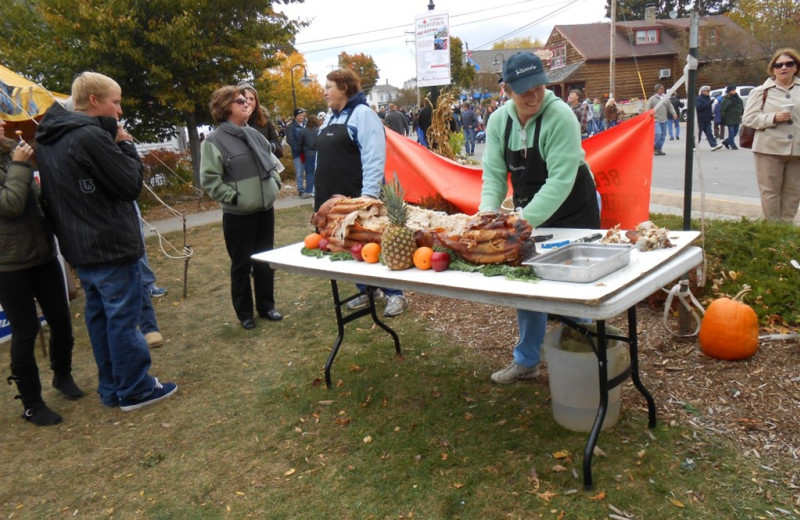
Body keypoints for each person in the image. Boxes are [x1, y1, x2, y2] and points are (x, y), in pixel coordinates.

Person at [35, 71, 176, 411]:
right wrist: (125, 145)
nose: (120, 110)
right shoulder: (86, 136)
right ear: (95, 101)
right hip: (110, 245)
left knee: (100, 320)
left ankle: (112, 388)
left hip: (81, 247)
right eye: (115, 101)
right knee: (123, 320)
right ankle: (136, 389)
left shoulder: (48, 137)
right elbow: (129, 185)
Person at [480, 52, 600, 384]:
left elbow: (560, 181)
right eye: (524, 90)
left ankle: (584, 363)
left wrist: (519, 223)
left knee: (576, 287)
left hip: (573, 206)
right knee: (528, 284)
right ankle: (527, 361)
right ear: (507, 90)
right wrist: (487, 218)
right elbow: (492, 175)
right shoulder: (498, 122)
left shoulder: (560, 116)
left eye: (538, 87)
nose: (533, 96)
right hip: (528, 208)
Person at [0, 120, 85, 426]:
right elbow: (9, 205)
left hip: (42, 254)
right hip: (9, 264)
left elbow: (34, 200)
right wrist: (21, 166)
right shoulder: (16, 160)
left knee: (61, 320)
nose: (2, 123)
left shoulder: (12, 152)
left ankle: (62, 375)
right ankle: (32, 403)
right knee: (25, 332)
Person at [314, 68, 407, 317]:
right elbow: (322, 157)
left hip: (357, 194)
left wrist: (368, 197)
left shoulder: (363, 115)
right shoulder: (330, 118)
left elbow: (374, 156)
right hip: (332, 197)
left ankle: (395, 294)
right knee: (351, 245)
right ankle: (366, 290)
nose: (325, 92)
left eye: (329, 86)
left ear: (344, 88)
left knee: (373, 243)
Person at [200, 86, 285, 328]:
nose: (246, 103)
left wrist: (274, 186)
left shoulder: (256, 135)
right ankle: (245, 314)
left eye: (247, 100)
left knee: (265, 260)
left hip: (264, 211)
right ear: (226, 107)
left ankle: (267, 307)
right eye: (239, 101)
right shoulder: (214, 141)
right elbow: (210, 180)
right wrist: (235, 198)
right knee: (241, 265)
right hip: (238, 215)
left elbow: (274, 164)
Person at [742, 48, 800, 222]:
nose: (784, 68)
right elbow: (749, 119)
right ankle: (773, 230)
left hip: (796, 151)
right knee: (770, 193)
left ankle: (786, 229)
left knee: (793, 192)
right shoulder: (761, 91)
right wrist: (773, 117)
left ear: (796, 67)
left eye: (789, 64)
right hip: (768, 149)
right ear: (773, 68)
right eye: (779, 64)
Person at [239, 82, 284, 159]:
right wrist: (243, 122)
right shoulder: (232, 123)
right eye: (245, 98)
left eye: (252, 99)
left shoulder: (264, 121)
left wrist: (271, 146)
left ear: (256, 102)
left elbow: (280, 152)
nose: (248, 102)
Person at [646, 83, 678, 156]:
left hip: (664, 119)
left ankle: (658, 148)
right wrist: (648, 116)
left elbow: (670, 106)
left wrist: (674, 113)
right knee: (658, 133)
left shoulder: (665, 98)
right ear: (657, 90)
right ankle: (654, 146)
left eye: (663, 88)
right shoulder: (652, 99)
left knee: (663, 135)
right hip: (656, 120)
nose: (663, 89)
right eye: (661, 88)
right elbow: (648, 109)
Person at [285, 108, 308, 196]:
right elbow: (290, 140)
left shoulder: (306, 124)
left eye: (303, 115)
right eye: (300, 115)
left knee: (310, 171)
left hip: (308, 152)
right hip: (298, 153)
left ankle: (310, 188)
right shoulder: (291, 127)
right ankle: (300, 189)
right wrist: (298, 149)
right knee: (299, 172)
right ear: (295, 116)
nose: (302, 117)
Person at [696, 86, 724, 151]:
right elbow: (698, 108)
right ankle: (694, 146)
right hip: (700, 119)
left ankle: (714, 145)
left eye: (709, 91)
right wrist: (708, 103)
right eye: (707, 91)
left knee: (709, 132)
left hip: (707, 119)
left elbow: (709, 109)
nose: (709, 92)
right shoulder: (698, 99)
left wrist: (711, 115)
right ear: (703, 92)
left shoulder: (708, 98)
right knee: (698, 133)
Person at [298, 113, 319, 199]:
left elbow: (300, 143)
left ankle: (309, 190)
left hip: (308, 153)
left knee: (309, 173)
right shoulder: (319, 130)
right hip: (318, 153)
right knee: (318, 172)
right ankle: (318, 190)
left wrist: (301, 151)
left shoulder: (303, 131)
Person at [720, 85, 744, 150]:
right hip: (729, 118)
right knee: (731, 132)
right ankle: (733, 145)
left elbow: (741, 107)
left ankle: (726, 142)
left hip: (736, 117)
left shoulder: (738, 98)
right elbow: (722, 109)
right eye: (732, 90)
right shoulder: (726, 99)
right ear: (729, 91)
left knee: (735, 132)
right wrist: (723, 118)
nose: (734, 91)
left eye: (734, 90)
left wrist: (742, 113)